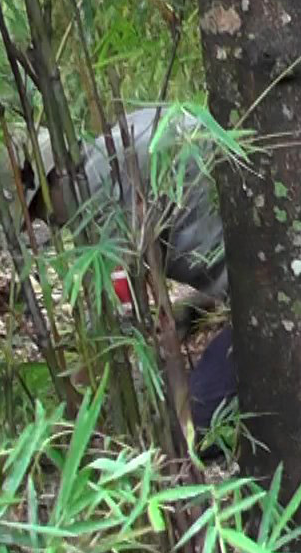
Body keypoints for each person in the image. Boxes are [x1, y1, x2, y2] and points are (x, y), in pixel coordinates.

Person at [26, 106, 237, 441]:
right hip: (261, 272)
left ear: (55, 179)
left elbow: (114, 315)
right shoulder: (123, 135)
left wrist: (74, 402)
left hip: (268, 294)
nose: (54, 224)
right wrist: (192, 309)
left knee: (197, 431)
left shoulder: (100, 191)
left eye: (43, 212)